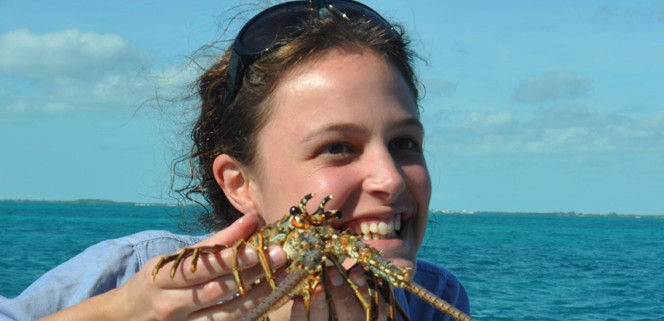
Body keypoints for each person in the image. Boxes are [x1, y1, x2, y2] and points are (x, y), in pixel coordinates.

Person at [0, 0, 470, 320]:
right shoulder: (131, 273)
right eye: (338, 147)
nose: (390, 179)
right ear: (238, 183)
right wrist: (123, 310)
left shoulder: (433, 299)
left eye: (405, 142)